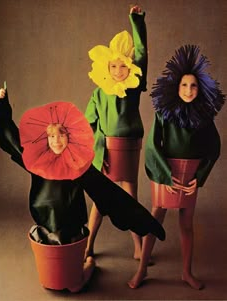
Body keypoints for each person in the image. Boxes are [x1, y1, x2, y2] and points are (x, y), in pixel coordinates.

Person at [0, 85, 165, 291]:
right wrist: (0, 105)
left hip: (72, 230)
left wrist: (143, 220)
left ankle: (88, 266)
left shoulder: (77, 165)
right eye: (52, 136)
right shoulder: (36, 161)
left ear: (70, 136)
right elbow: (10, 136)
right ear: (45, 139)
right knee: (50, 281)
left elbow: (109, 193)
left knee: (75, 286)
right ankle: (82, 267)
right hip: (45, 232)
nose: (57, 140)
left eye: (62, 134)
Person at [128, 45, 225, 290]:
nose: (189, 90)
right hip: (165, 172)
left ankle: (186, 272)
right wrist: (166, 174)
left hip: (189, 174)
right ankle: (141, 270)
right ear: (176, 87)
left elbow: (213, 148)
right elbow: (152, 146)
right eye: (184, 85)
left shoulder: (204, 117)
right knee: (154, 219)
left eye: (193, 86)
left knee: (186, 224)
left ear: (200, 88)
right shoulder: (164, 113)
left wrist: (199, 176)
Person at [85, 5, 148, 260]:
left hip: (130, 145)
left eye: (123, 66)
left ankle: (138, 246)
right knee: (101, 200)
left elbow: (142, 53)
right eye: (113, 67)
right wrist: (88, 147)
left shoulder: (133, 87)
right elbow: (88, 121)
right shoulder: (100, 92)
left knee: (130, 198)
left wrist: (136, 22)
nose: (118, 71)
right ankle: (88, 244)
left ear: (129, 67)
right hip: (107, 149)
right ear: (107, 68)